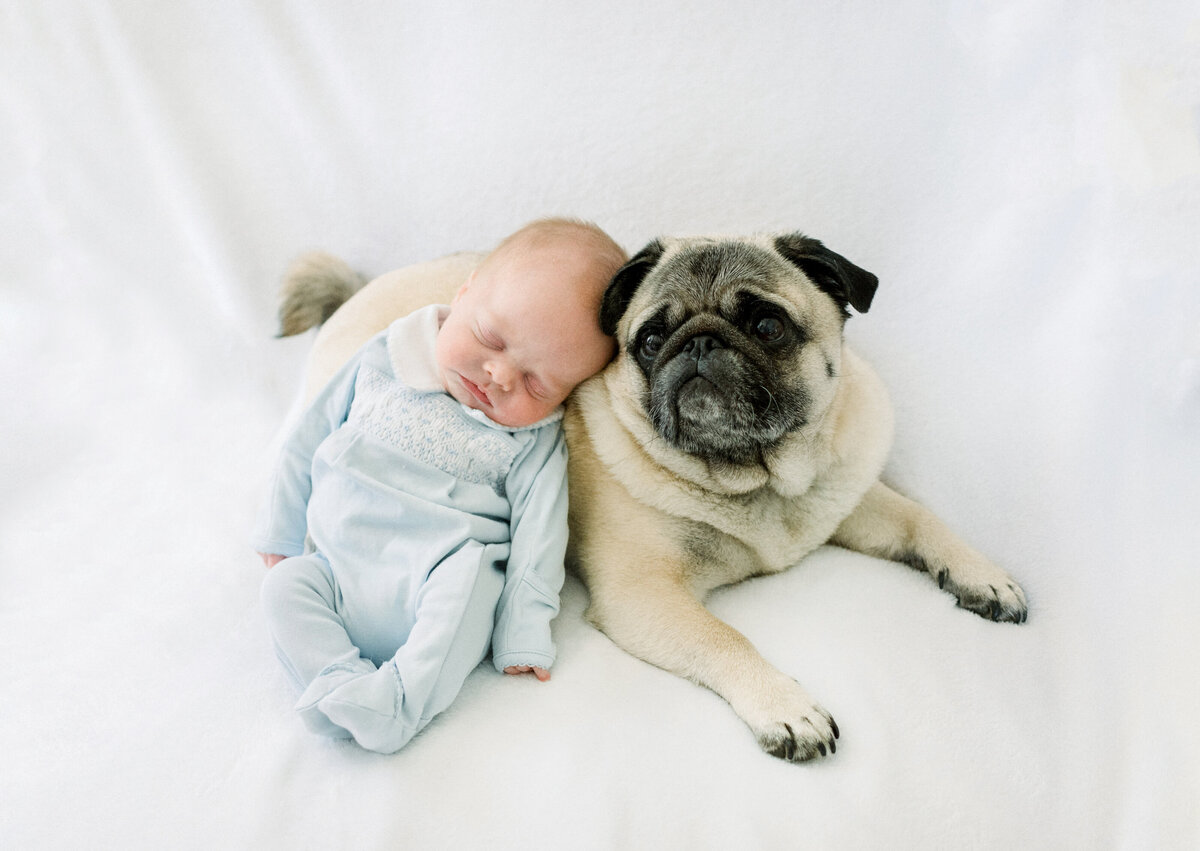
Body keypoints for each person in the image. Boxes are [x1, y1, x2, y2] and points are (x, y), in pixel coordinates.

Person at [253, 218, 625, 753]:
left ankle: (399, 705)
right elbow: (308, 436)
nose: (499, 375)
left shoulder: (535, 440)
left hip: (439, 577)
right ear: (465, 291)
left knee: (472, 582)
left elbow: (539, 543)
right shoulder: (387, 354)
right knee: (284, 588)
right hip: (337, 566)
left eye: (536, 382)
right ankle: (337, 683)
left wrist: (523, 631)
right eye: (491, 338)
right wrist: (281, 533)